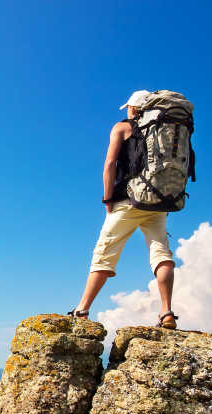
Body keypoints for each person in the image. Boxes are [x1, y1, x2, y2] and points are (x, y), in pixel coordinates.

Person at [69, 90, 178, 329]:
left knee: (104, 252)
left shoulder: (122, 128)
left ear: (133, 109)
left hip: (128, 201)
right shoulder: (163, 131)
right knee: (161, 254)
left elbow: (110, 164)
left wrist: (108, 199)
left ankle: (82, 310)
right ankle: (167, 312)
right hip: (159, 202)